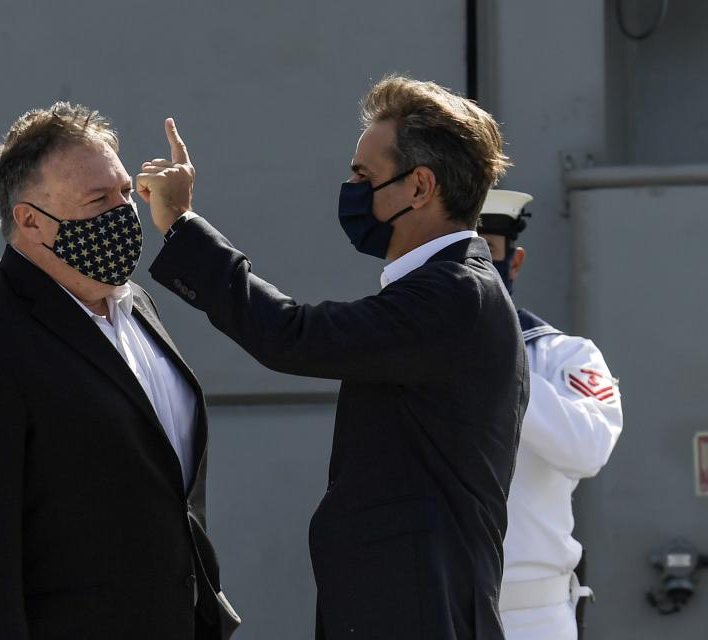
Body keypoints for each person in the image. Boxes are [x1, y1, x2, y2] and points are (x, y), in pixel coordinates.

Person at [137, 74, 528, 640]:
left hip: (418, 614)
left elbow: (290, 334)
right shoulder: (450, 289)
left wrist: (181, 225)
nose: (349, 187)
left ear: (420, 186)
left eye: (363, 176)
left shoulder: (453, 296)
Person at [0, 102, 239, 640]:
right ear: (30, 219)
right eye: (98, 199)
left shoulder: (137, 307)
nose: (124, 211)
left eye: (126, 191)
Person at [478, 189, 623, 640]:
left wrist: (496, 354)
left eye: (486, 252)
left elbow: (587, 448)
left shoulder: (564, 356)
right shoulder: (409, 351)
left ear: (514, 263)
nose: (471, 266)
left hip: (532, 618)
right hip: (426, 608)